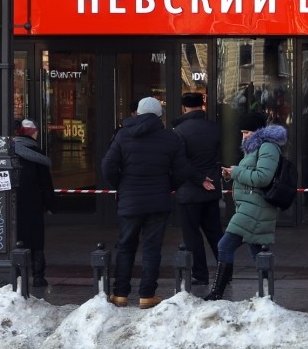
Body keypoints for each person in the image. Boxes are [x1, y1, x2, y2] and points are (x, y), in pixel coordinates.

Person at [100, 96, 195, 308]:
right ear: (160, 115)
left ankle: (120, 294)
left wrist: (121, 185)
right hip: (158, 201)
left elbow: (108, 166)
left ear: (138, 113)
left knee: (125, 246)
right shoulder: (170, 138)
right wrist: (169, 185)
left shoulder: (123, 135)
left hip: (130, 200)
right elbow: (183, 169)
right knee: (152, 249)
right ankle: (146, 295)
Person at [207, 111, 286, 301]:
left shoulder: (268, 147)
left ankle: (218, 292)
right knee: (257, 252)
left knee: (224, 245)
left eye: (248, 131)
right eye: (242, 132)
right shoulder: (256, 148)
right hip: (251, 207)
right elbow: (252, 175)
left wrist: (236, 172)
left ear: (258, 131)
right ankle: (267, 294)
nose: (244, 135)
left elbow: (262, 177)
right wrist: (232, 174)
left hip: (256, 208)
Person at [172, 92, 223, 289]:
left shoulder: (179, 131)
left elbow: (180, 162)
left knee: (192, 235)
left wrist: (199, 179)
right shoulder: (214, 127)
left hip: (190, 191)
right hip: (211, 187)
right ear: (202, 106)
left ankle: (201, 274)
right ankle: (225, 270)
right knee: (215, 232)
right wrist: (208, 179)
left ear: (184, 107)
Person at [12, 118, 55, 288]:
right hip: (33, 203)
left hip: (14, 203)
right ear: (30, 132)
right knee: (36, 240)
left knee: (16, 237)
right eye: (35, 130)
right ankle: (38, 276)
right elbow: (46, 182)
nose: (37, 133)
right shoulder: (38, 153)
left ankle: (17, 274)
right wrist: (50, 205)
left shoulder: (10, 150)